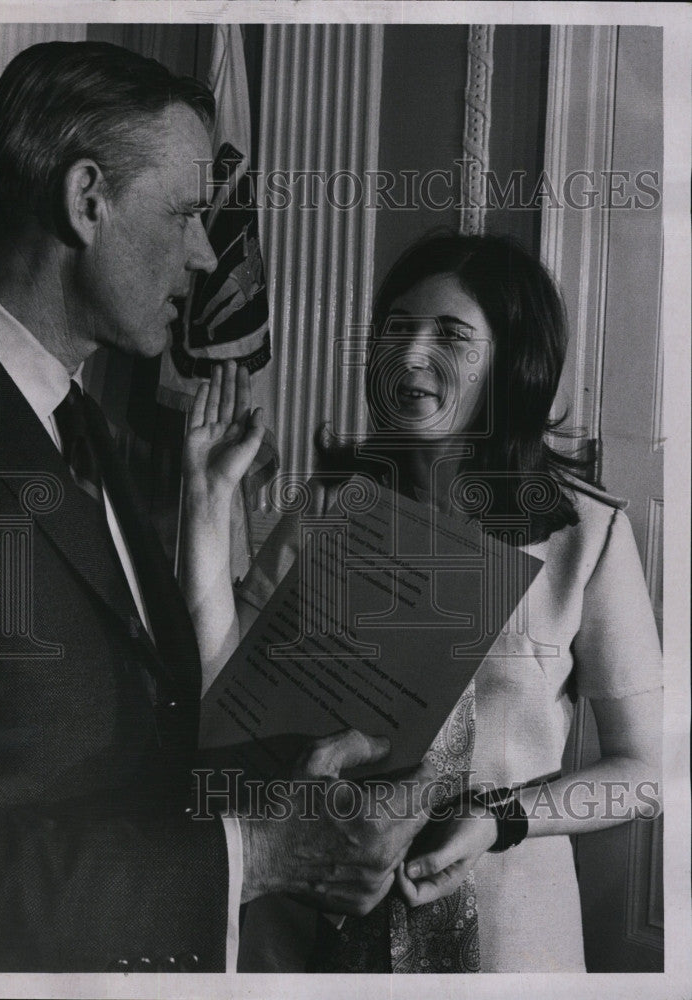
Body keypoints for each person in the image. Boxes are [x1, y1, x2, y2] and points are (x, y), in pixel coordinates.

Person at [0, 40, 437, 972]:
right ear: (88, 200)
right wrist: (257, 856)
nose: (210, 255)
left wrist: (298, 783)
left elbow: (147, 740)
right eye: (189, 214)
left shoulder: (80, 420)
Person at [227, 233, 664, 972]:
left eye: (451, 335)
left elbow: (646, 774)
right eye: (396, 329)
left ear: (509, 361)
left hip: (512, 941)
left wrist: (499, 821)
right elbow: (232, 710)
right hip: (318, 927)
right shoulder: (327, 511)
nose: (410, 354)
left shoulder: (585, 536)